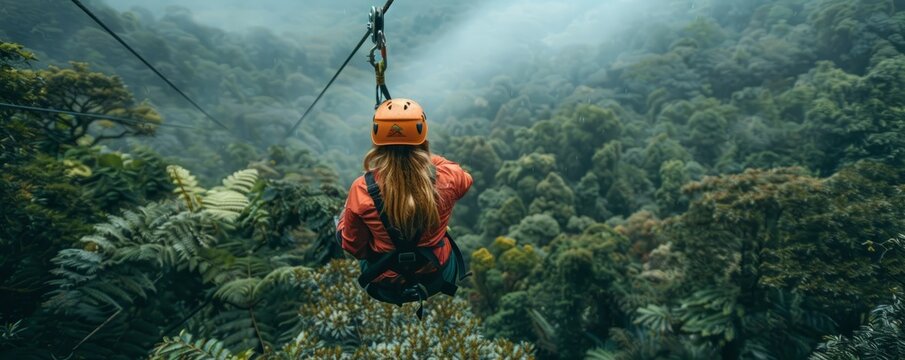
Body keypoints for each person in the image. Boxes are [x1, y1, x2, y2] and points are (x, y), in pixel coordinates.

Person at [336, 98, 472, 316]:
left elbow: (355, 247)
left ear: (377, 142)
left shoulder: (362, 189)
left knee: (346, 226)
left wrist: (344, 219)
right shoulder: (448, 179)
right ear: (422, 138)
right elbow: (463, 176)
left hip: (385, 284)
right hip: (437, 274)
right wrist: (420, 156)